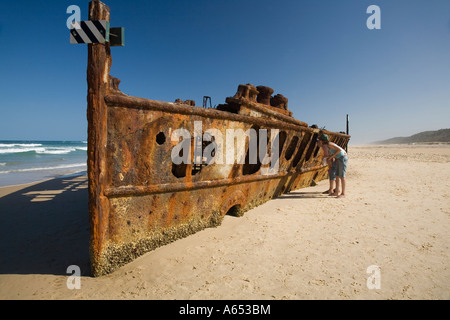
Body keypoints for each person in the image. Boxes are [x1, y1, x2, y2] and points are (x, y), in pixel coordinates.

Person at [317, 134, 348, 198]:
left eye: (319, 140)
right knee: (336, 175)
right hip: (338, 158)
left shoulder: (329, 144)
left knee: (342, 176)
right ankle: (336, 191)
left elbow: (339, 150)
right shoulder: (325, 146)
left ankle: (343, 193)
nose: (318, 141)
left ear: (322, 140)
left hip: (342, 157)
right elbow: (328, 155)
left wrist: (332, 157)